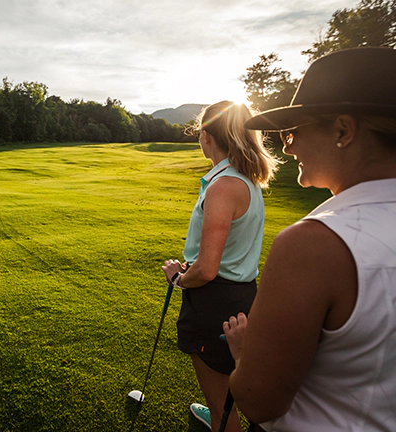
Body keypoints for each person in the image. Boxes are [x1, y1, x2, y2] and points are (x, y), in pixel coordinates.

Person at [223, 47, 396, 431]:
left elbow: (257, 399)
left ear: (342, 130)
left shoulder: (313, 245)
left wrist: (242, 352)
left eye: (294, 131)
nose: (287, 145)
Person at [161, 100, 281, 431]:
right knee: (236, 394)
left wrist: (178, 279)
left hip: (215, 301)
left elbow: (207, 269)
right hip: (242, 296)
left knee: (222, 410)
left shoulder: (223, 186)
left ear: (207, 136)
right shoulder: (246, 179)